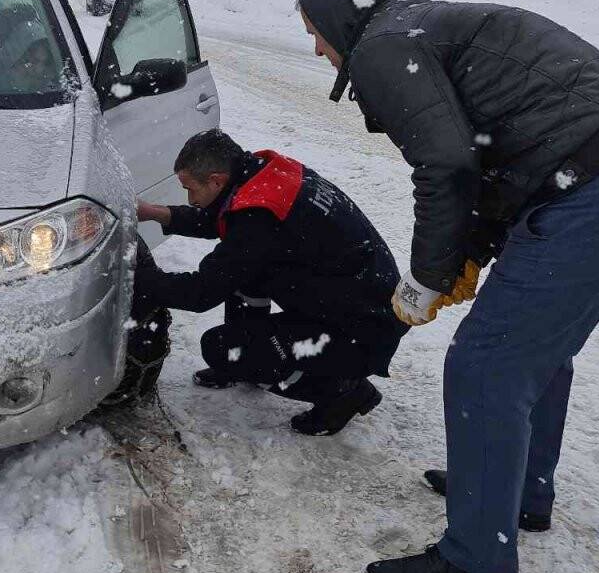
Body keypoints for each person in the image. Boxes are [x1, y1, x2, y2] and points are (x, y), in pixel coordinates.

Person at [297, 0, 599, 573]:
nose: (317, 50)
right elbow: (486, 163)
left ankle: (476, 558)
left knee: (486, 364)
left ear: (335, 21)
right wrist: (469, 255)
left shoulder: (382, 45)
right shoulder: (420, 26)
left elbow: (446, 165)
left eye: (314, 33)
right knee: (535, 347)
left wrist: (427, 277)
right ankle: (516, 496)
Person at [134, 129, 409, 436]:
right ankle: (250, 357)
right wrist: (155, 214)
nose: (189, 198)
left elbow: (201, 293)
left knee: (220, 347)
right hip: (353, 298)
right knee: (246, 271)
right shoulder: (266, 175)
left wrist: (139, 278)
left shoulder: (259, 214)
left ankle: (342, 393)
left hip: (363, 327)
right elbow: (223, 221)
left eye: (189, 189)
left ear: (216, 180)